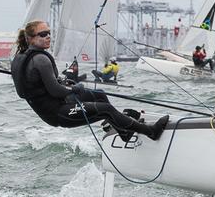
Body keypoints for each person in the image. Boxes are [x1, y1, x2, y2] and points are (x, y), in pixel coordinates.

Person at [11, 20, 168, 141]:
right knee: (105, 109)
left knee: (98, 94)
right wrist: (74, 89)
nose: (48, 37)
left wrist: (62, 83)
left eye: (49, 33)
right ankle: (151, 132)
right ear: (30, 39)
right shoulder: (40, 59)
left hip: (56, 105)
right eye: (43, 34)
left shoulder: (20, 57)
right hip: (57, 113)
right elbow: (55, 91)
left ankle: (123, 131)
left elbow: (35, 83)